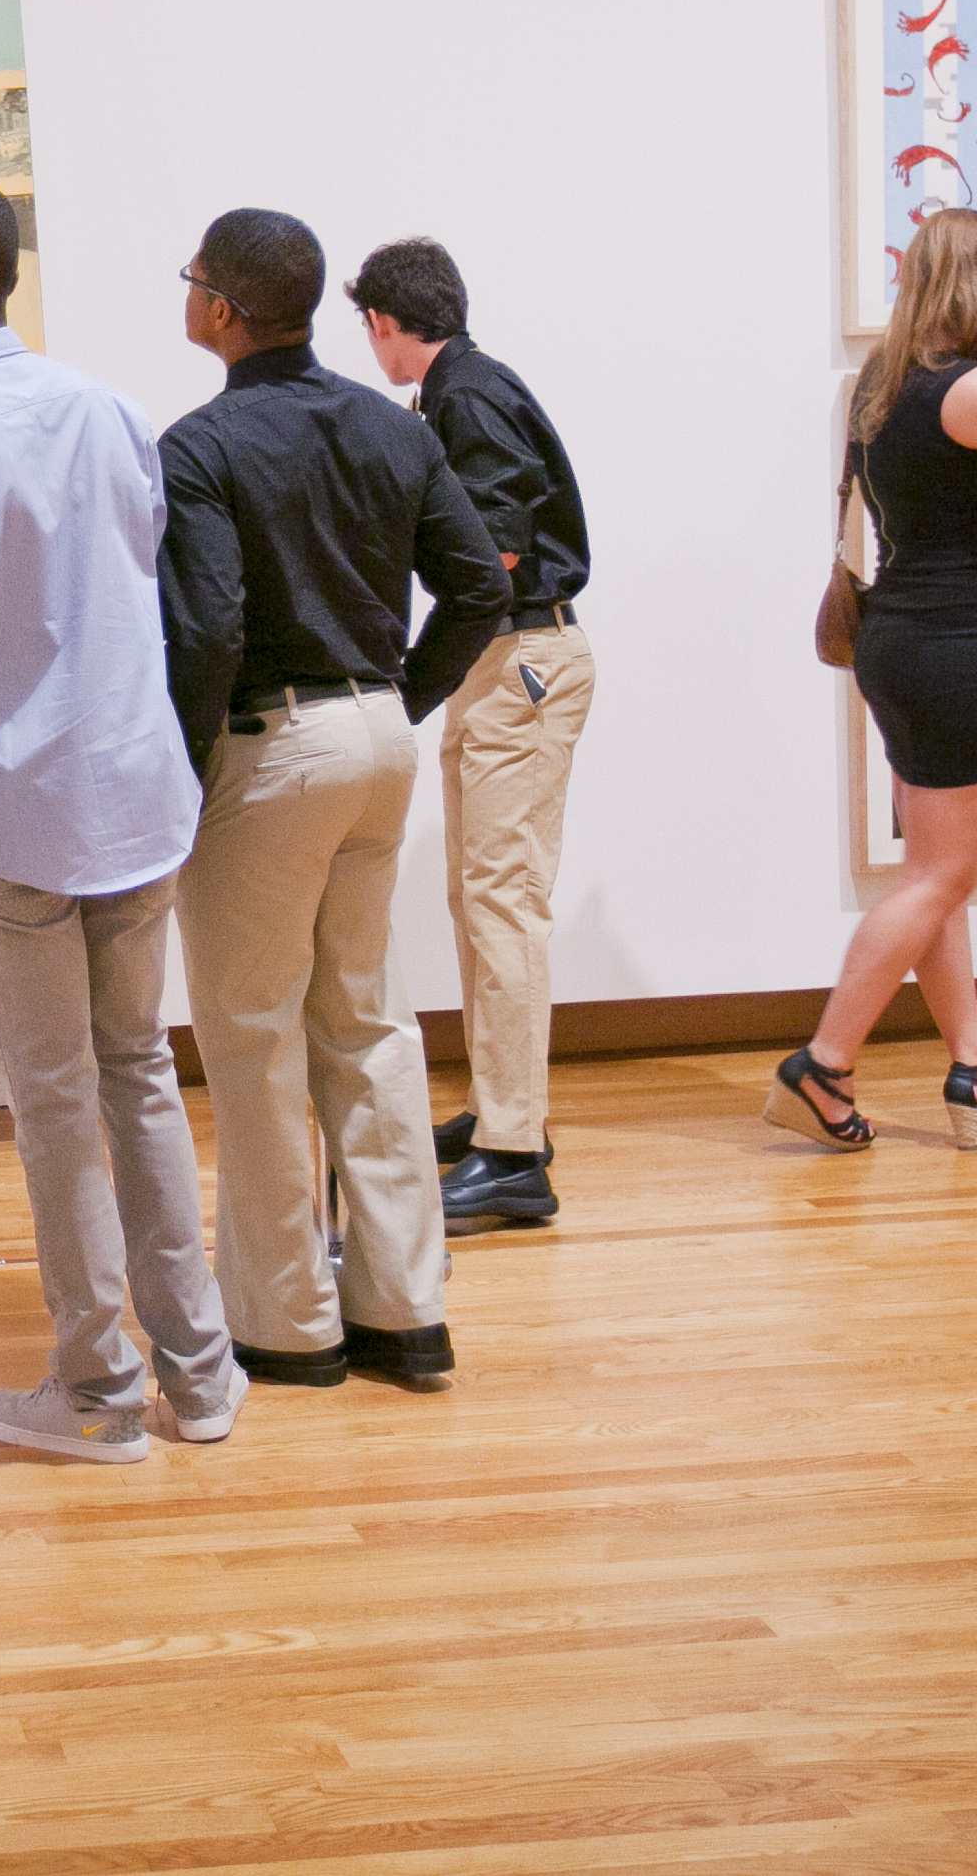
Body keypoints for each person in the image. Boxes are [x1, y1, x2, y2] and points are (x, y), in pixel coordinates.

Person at [0, 177, 243, 1461]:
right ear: (7, 276)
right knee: (139, 1076)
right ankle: (199, 1376)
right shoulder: (113, 411)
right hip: (136, 804)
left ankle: (98, 1393)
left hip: (16, 819)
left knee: (54, 1101)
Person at [160, 210, 512, 1392]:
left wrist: (188, 760)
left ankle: (286, 1322)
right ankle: (405, 1310)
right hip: (375, 740)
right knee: (367, 1026)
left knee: (254, 1036)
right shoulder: (389, 428)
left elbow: (206, 626)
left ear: (220, 307)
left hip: (270, 748)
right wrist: (394, 702)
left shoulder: (198, 446)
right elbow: (476, 590)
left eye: (193, 280)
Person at [770, 206, 977, 1151]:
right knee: (944, 874)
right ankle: (821, 1067)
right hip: (958, 649)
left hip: (897, 640)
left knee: (932, 873)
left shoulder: (883, 380)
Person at [351, 237, 598, 1232]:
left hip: (523, 659)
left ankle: (513, 1151)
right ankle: (509, 1119)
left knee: (502, 898)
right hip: (509, 661)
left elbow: (490, 555)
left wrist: (411, 679)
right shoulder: (461, 387)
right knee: (486, 893)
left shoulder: (467, 394)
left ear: (383, 323)